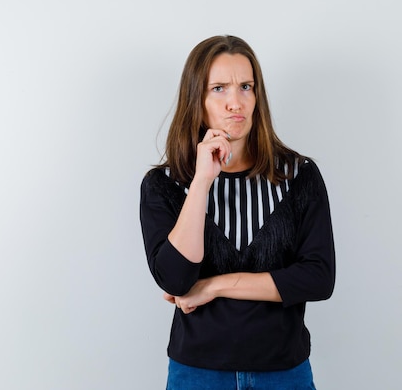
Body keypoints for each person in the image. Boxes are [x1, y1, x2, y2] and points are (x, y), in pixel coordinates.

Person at [139, 35, 335, 390]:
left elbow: (319, 278)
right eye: (219, 88)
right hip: (197, 374)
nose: (235, 102)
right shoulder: (163, 185)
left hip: (283, 372)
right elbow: (176, 280)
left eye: (246, 86)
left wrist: (214, 286)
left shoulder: (298, 175)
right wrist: (201, 182)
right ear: (196, 99)